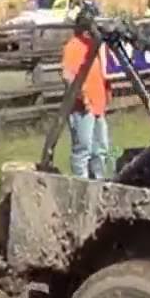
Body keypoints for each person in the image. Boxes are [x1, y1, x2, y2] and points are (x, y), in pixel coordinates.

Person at [60, 9, 111, 179]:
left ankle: (98, 182)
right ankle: (81, 185)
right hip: (83, 106)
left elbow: (104, 71)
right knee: (83, 149)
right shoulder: (74, 46)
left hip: (98, 104)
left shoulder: (96, 45)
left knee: (101, 149)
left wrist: (106, 94)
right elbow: (69, 76)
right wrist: (84, 98)